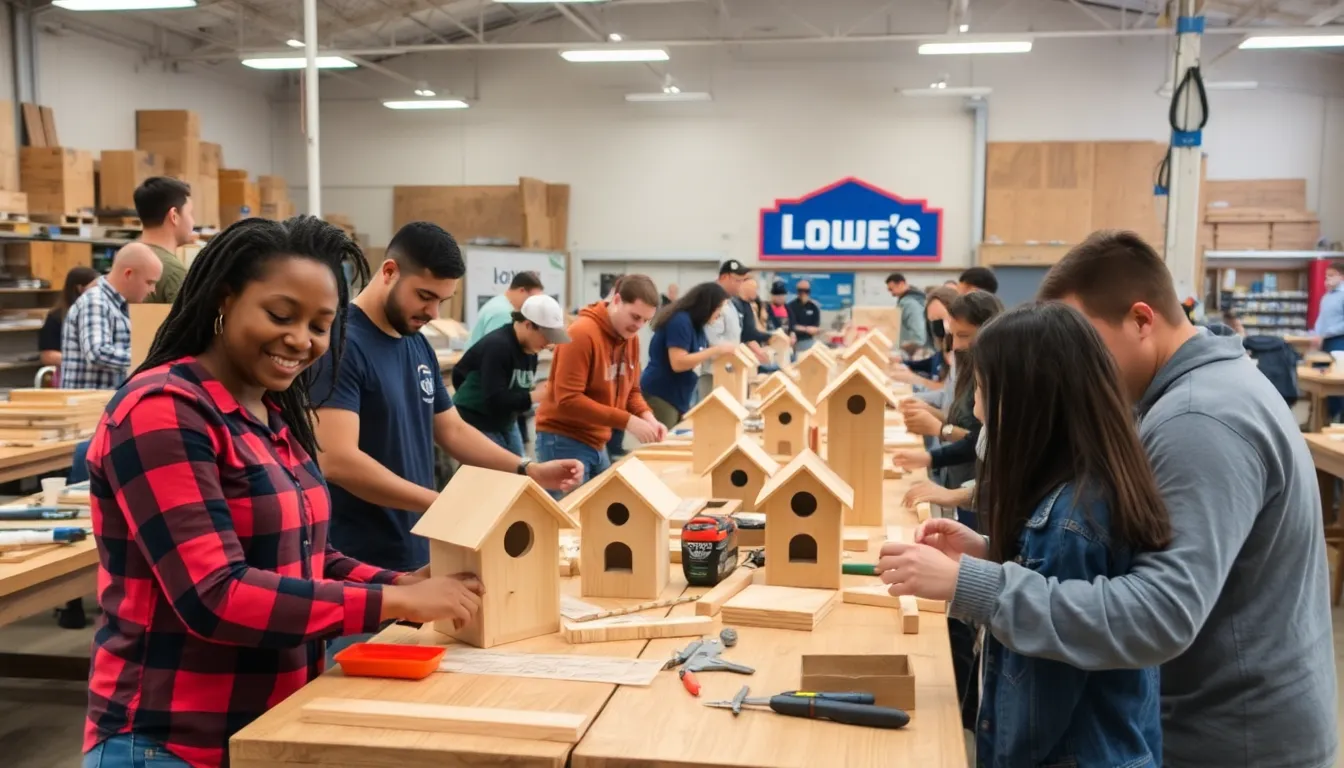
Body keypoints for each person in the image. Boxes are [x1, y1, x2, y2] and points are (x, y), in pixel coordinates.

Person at [886, 230, 1337, 768]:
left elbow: (1159, 613)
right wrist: (999, 553)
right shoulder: (1184, 394)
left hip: (1228, 741)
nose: (1072, 365)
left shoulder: (1198, 419)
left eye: (1085, 342)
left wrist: (978, 585)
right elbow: (1119, 558)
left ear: (1142, 319)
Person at [81, 217, 485, 768]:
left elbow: (310, 557)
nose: (301, 340)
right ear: (224, 299)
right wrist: (395, 603)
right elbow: (215, 596)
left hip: (268, 727)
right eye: (280, 315)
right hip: (169, 742)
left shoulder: (271, 415)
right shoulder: (162, 411)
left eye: (320, 325)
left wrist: (402, 582)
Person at [879, 302, 1169, 766]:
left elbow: (1043, 692)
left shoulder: (1071, 522)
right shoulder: (1081, 487)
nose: (976, 408)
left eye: (982, 390)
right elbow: (1054, 585)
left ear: (1025, 403)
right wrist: (991, 553)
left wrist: (963, 581)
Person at [311, 222, 580, 598]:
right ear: (389, 272)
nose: (434, 312)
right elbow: (338, 460)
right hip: (361, 563)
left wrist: (527, 469)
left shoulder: (417, 344)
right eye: (425, 296)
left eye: (442, 300)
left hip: (418, 549)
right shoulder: (341, 345)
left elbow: (452, 430)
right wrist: (440, 502)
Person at [536, 274, 664, 491]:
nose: (638, 326)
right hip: (563, 439)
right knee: (568, 511)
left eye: (645, 320)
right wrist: (628, 421)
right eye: (635, 317)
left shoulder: (630, 339)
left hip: (597, 441)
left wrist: (647, 417)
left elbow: (632, 391)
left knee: (599, 508)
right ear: (617, 300)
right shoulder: (581, 334)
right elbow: (568, 399)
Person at [451, 294, 570, 454]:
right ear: (528, 325)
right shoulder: (498, 346)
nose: (550, 343)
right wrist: (534, 396)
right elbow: (494, 398)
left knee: (519, 465)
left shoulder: (531, 350)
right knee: (493, 465)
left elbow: (517, 389)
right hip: (477, 419)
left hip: (505, 420)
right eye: (547, 336)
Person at [61, 243, 162, 390]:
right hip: (92, 402)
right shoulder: (96, 302)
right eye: (149, 282)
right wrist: (151, 358)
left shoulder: (119, 306)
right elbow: (97, 353)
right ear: (128, 274)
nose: (152, 290)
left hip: (106, 400)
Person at [641, 282, 736, 428]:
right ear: (707, 306)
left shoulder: (697, 326)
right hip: (662, 394)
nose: (720, 314)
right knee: (665, 439)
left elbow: (699, 351)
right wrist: (716, 350)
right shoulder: (680, 321)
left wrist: (724, 350)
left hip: (679, 396)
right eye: (718, 308)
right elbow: (678, 363)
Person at [135, 177, 196, 304]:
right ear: (174, 216)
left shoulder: (126, 258)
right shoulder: (172, 271)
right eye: (190, 213)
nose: (193, 222)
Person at [697, 260, 751, 398]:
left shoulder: (731, 303)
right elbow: (711, 339)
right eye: (737, 280)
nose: (740, 284)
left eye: (742, 281)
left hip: (729, 370)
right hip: (714, 372)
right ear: (724, 277)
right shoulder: (712, 301)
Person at [896, 285, 959, 390]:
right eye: (932, 321)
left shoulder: (962, 351)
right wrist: (903, 363)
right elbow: (931, 363)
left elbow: (948, 391)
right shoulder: (943, 346)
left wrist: (915, 379)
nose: (936, 326)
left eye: (940, 319)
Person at [39, 266, 99, 368]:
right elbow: (47, 356)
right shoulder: (56, 317)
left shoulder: (99, 313)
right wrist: (83, 361)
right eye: (96, 287)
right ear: (80, 288)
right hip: (71, 370)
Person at [466, 270, 544, 349]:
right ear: (522, 291)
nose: (534, 304)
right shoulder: (503, 313)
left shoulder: (499, 303)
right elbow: (497, 349)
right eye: (533, 299)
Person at [734, 275, 775, 367]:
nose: (756, 293)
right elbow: (747, 333)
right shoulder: (737, 305)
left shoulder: (747, 305)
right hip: (739, 350)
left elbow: (751, 330)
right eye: (755, 289)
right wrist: (770, 336)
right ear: (746, 288)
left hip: (749, 348)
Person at [885, 272, 928, 355]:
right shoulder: (915, 300)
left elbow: (918, 333)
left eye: (891, 289)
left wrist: (909, 351)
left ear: (901, 284)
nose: (892, 293)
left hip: (910, 353)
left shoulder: (909, 304)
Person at [786, 279, 823, 354]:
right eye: (801, 290)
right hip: (794, 341)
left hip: (809, 340)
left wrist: (817, 330)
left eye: (806, 291)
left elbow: (816, 327)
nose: (803, 293)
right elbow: (790, 326)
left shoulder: (814, 307)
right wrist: (806, 329)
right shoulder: (791, 306)